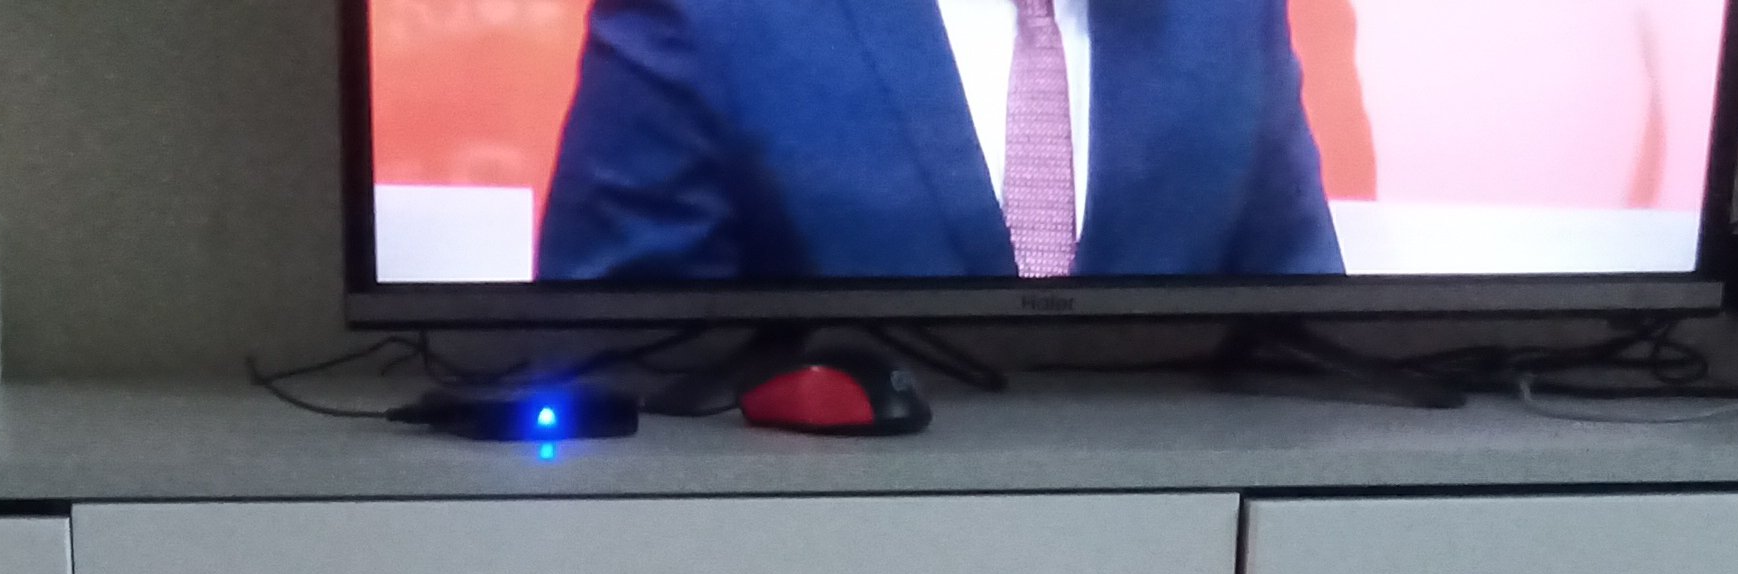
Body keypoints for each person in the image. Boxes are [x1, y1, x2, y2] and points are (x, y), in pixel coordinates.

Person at [539, 0, 1345, 284]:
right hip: (805, 568)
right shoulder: (709, 14)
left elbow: (1309, 342)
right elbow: (620, 360)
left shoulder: (1226, 15)